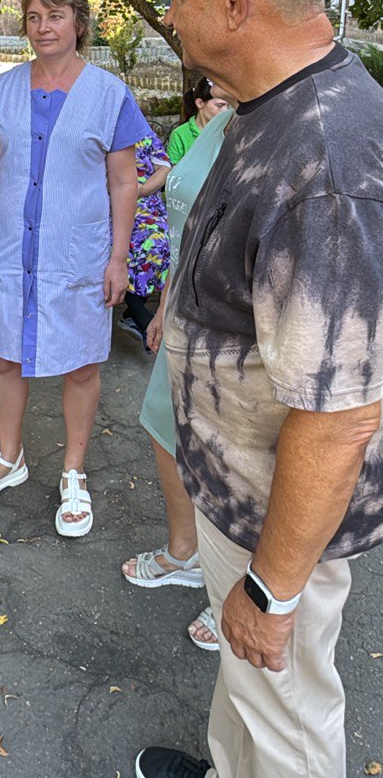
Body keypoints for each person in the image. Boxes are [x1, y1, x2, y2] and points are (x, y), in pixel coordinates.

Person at [135, 0, 383, 778]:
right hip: (238, 486)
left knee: (289, 716)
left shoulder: (321, 161)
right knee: (252, 691)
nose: (170, 12)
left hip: (276, 512)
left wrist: (273, 591)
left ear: (233, 0)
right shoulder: (271, 102)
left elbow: (341, 414)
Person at [0, 0, 146, 537]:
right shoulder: (2, 90)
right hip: (9, 252)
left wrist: (117, 258)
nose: (42, 28)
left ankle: (73, 471)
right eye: (34, 17)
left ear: (79, 23)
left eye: (55, 16)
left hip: (76, 256)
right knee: (5, 357)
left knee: (82, 364)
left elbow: (123, 182)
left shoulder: (110, 95)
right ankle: (9, 458)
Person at [122, 101, 234, 654]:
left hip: (236, 335)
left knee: (234, 460)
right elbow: (186, 227)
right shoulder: (220, 117)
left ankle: (241, 592)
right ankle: (186, 552)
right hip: (186, 311)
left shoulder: (283, 124)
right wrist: (165, 304)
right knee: (163, 424)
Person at [117, 128, 171, 342]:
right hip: (114, 205)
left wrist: (139, 191)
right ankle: (144, 321)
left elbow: (164, 168)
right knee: (128, 251)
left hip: (147, 204)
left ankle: (135, 315)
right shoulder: (102, 132)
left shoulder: (144, 134)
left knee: (159, 246)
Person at [166, 77, 230, 165]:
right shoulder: (180, 134)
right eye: (219, 105)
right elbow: (173, 171)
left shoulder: (228, 131)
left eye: (227, 106)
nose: (225, 111)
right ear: (200, 103)